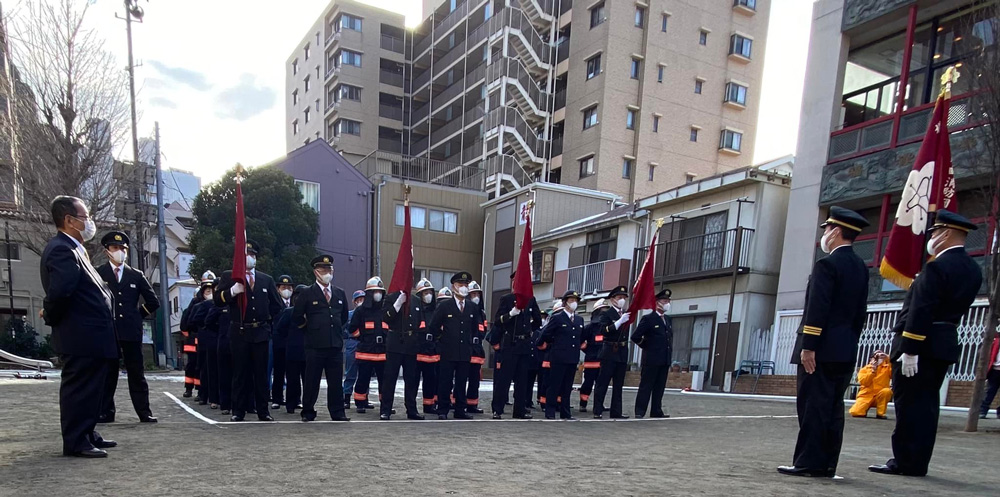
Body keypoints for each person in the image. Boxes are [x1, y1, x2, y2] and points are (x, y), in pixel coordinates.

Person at [869, 210, 983, 477]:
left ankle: (905, 461)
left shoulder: (937, 267)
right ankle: (917, 460)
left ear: (945, 234)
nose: (931, 238)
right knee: (927, 407)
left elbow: (922, 309)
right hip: (942, 344)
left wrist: (910, 349)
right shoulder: (972, 269)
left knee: (911, 406)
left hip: (921, 347)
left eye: (934, 233)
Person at [777, 207, 870, 478]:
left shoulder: (827, 264)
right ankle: (828, 463)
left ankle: (808, 462)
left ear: (837, 231)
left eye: (827, 229)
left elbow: (817, 308)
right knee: (833, 409)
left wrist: (809, 345)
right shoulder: (860, 267)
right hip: (845, 347)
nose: (825, 234)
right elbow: (859, 313)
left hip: (821, 349)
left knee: (813, 407)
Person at [40, 195, 118, 458]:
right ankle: (75, 440)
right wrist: (49, 314)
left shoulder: (77, 248)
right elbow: (61, 291)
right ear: (69, 220)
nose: (90, 222)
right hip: (80, 333)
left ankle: (87, 432)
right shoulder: (62, 249)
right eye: (85, 217)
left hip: (92, 334)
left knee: (93, 387)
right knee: (80, 387)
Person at [213, 240, 283, 422]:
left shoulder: (265, 279)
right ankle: (238, 410)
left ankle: (263, 411)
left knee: (261, 374)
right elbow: (217, 300)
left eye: (252, 255)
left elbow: (278, 306)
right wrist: (232, 292)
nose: (249, 258)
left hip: (260, 332)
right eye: (246, 255)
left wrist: (268, 323)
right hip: (240, 332)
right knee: (240, 373)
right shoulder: (230, 277)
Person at [94, 230, 159, 423]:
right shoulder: (99, 273)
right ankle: (106, 411)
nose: (119, 251)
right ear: (107, 251)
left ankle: (144, 412)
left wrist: (137, 315)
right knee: (108, 373)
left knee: (136, 373)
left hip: (131, 330)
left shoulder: (136, 275)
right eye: (115, 248)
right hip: (108, 330)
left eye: (123, 248)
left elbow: (153, 301)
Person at [292, 255, 351, 422]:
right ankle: (308, 411)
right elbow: (297, 316)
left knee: (335, 382)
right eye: (323, 270)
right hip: (315, 345)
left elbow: (344, 316)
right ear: (315, 272)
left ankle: (337, 412)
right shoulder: (307, 293)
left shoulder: (339, 293)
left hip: (334, 345)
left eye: (329, 270)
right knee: (311, 380)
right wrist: (309, 329)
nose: (327, 273)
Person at [428, 272, 481, 419]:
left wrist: (471, 344)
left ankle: (460, 410)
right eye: (460, 285)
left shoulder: (471, 307)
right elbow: (433, 327)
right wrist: (442, 341)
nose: (463, 288)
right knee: (445, 381)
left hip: (464, 351)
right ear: (453, 287)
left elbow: (474, 329)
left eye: (465, 285)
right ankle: (443, 410)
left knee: (461, 381)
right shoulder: (445, 306)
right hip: (448, 350)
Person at [489, 272, 542, 420]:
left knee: (522, 380)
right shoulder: (507, 299)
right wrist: (511, 314)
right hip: (510, 343)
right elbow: (498, 321)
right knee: (504, 379)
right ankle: (497, 409)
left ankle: (519, 410)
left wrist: (528, 330)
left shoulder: (531, 300)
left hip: (524, 344)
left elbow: (537, 320)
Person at [537, 291, 585, 420]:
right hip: (558, 357)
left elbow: (580, 337)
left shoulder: (579, 319)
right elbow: (546, 333)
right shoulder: (557, 318)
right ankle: (550, 412)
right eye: (571, 300)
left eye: (575, 300)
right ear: (565, 302)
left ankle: (565, 412)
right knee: (554, 385)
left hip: (572, 357)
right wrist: (547, 343)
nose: (574, 303)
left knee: (567, 387)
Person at [381, 282, 425, 420]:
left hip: (411, 343)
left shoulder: (416, 301)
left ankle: (412, 410)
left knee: (411, 379)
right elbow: (386, 318)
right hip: (395, 342)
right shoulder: (391, 298)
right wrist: (398, 304)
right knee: (390, 378)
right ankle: (386, 410)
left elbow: (421, 322)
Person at [348, 277, 389, 413]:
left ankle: (385, 404)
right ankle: (360, 403)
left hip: (383, 352)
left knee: (384, 382)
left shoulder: (386, 310)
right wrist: (365, 336)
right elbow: (352, 329)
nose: (378, 294)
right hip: (365, 352)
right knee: (363, 379)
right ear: (369, 293)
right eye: (375, 291)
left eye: (380, 291)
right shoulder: (361, 311)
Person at [632, 289, 673, 419]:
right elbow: (636, 336)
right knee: (646, 386)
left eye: (668, 301)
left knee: (659, 387)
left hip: (664, 359)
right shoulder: (648, 319)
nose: (667, 303)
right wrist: (647, 346)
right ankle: (640, 410)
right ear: (657, 303)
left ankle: (656, 410)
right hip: (651, 359)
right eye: (664, 301)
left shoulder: (667, 319)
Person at [593, 286, 632, 419]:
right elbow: (604, 330)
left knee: (618, 384)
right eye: (619, 298)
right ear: (612, 300)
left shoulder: (625, 313)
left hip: (622, 351)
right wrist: (619, 322)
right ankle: (597, 410)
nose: (622, 300)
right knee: (603, 382)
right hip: (610, 351)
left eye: (624, 298)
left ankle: (616, 411)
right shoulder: (606, 314)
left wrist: (623, 319)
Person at [276, 284, 307, 414]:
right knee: (292, 379)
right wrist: (288, 340)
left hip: (308, 351)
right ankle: (291, 404)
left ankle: (305, 403)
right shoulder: (289, 312)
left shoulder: (311, 313)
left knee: (308, 381)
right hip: (292, 350)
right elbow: (280, 328)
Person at [178, 275, 209, 400]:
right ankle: (189, 388)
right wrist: (191, 335)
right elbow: (184, 325)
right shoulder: (193, 306)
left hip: (203, 339)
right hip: (192, 340)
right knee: (192, 365)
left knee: (201, 366)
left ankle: (201, 390)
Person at [191, 281, 221, 409]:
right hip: (209, 341)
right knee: (208, 369)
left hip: (224, 339)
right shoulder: (205, 305)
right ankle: (206, 395)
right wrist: (207, 327)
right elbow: (195, 321)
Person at [579, 299, 609, 412]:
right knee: (588, 383)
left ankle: (599, 405)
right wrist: (589, 352)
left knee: (601, 385)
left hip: (604, 361)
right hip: (591, 361)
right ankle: (583, 403)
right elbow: (580, 342)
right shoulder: (589, 328)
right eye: (603, 310)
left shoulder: (607, 327)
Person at [270, 275, 294, 410]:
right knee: (278, 371)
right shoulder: (274, 303)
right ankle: (277, 398)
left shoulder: (296, 302)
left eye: (289, 287)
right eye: (283, 287)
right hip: (279, 341)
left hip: (293, 342)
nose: (286, 290)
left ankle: (294, 399)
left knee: (293, 373)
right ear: (278, 289)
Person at [465, 281, 487, 414]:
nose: (476, 297)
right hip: (465, 350)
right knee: (461, 380)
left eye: (477, 294)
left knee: (474, 381)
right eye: (473, 294)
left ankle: (472, 404)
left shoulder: (481, 314)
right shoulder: (464, 311)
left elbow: (483, 331)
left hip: (477, 352)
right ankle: (458, 403)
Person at [849, 351, 892, 419]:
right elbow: (864, 382)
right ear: (871, 359)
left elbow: (894, 374)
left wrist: (888, 358)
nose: (878, 359)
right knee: (856, 412)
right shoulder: (865, 369)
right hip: (866, 395)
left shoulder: (887, 368)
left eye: (881, 357)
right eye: (876, 357)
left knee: (886, 391)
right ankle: (864, 409)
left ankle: (880, 413)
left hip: (879, 396)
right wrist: (872, 371)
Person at [344, 290, 364, 409]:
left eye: (363, 299)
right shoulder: (349, 315)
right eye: (358, 300)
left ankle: (363, 398)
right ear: (354, 302)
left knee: (364, 373)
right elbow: (343, 329)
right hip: (352, 343)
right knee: (350, 372)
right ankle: (346, 397)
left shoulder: (368, 315)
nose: (361, 302)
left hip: (365, 344)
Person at [979, 337, 1000, 419]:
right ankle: (982, 411)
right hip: (995, 370)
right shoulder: (996, 341)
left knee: (989, 391)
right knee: (989, 391)